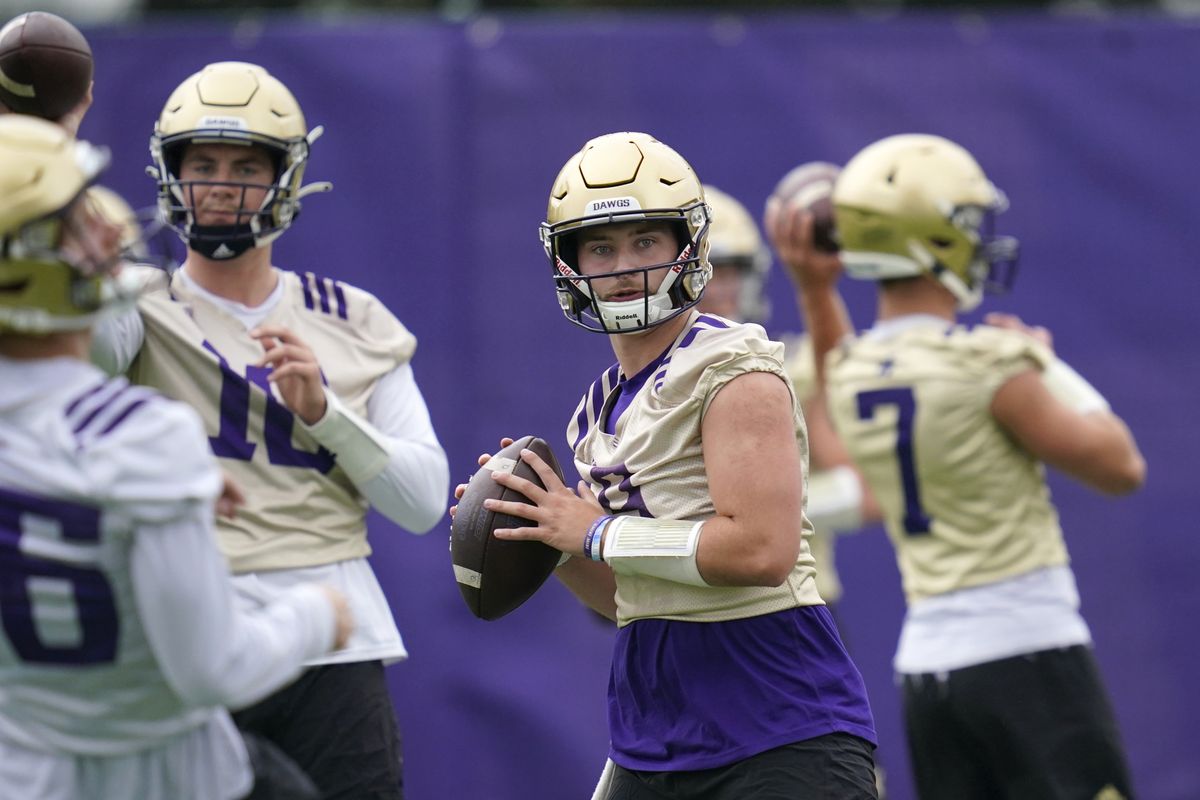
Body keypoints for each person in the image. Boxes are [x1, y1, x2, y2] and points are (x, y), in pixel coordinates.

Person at [456, 132, 878, 799]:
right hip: (655, 732)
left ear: (689, 246)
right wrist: (550, 540)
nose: (623, 267)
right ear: (568, 262)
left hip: (778, 726)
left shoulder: (735, 368)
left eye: (645, 242)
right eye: (600, 246)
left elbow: (762, 550)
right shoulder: (598, 407)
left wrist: (593, 530)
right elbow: (630, 598)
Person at [90, 61, 449, 800]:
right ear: (169, 173)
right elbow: (86, 350)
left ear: (287, 179)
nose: (221, 184)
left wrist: (325, 413)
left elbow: (422, 502)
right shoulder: (133, 302)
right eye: (203, 163)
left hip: (336, 638)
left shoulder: (353, 317)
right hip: (182, 627)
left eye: (246, 165)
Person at [776, 132, 1145, 800]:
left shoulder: (852, 374)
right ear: (935, 240)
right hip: (1028, 657)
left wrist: (811, 287)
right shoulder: (991, 367)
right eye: (967, 224)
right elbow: (1121, 466)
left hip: (928, 676)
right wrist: (1048, 364)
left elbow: (841, 361)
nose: (980, 240)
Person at [0, 114, 353, 800]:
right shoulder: (145, 439)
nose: (106, 227)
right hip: (166, 775)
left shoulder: (127, 449)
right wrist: (318, 611)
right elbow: (214, 669)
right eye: (73, 219)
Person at [702, 183, 880, 617]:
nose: (717, 290)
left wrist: (766, 515)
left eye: (728, 271)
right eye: (704, 271)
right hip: (686, 608)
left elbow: (872, 489)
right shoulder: (630, 389)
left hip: (794, 603)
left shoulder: (780, 371)